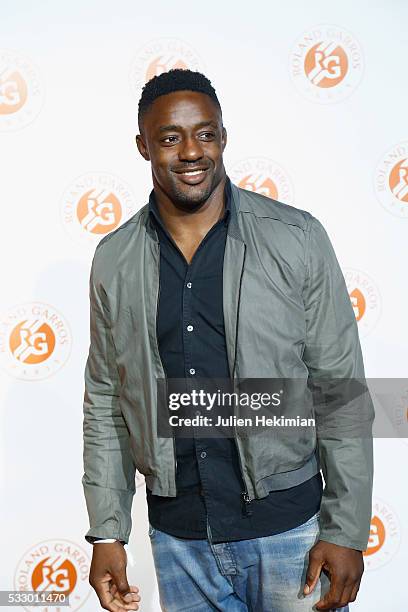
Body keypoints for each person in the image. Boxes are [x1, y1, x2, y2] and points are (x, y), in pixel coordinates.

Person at [82, 69, 374, 612]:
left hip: (293, 537)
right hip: (179, 543)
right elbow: (105, 401)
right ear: (144, 146)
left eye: (206, 133)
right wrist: (107, 533)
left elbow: (340, 391)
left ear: (223, 136)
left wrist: (348, 529)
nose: (191, 151)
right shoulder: (114, 259)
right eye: (170, 137)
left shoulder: (297, 238)